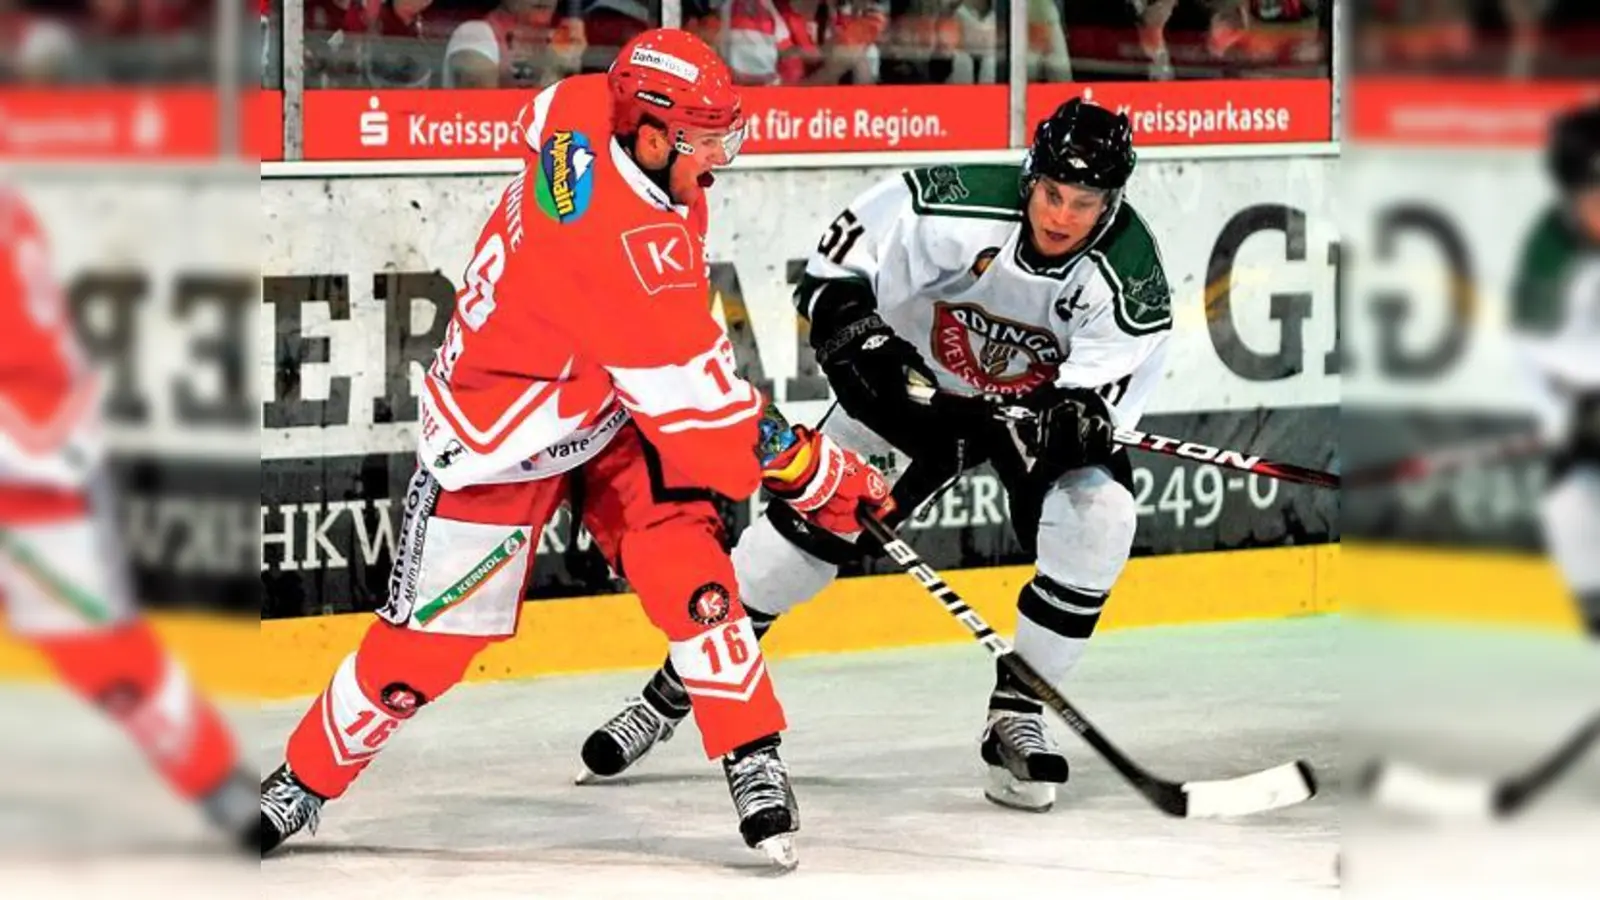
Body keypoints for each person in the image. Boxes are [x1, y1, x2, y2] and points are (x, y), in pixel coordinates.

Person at [256, 28, 893, 868]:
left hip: (603, 395)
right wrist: (818, 472)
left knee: (686, 565)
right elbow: (707, 422)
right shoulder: (626, 252)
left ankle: (752, 753)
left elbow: (545, 118)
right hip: (500, 433)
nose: (721, 160)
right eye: (707, 143)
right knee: (425, 649)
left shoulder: (586, 105)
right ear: (655, 136)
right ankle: (302, 780)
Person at [578, 97, 1173, 813]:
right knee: (784, 555)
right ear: (1031, 175)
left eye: (1084, 202)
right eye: (1051, 192)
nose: (1061, 215)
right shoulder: (954, 200)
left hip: (1027, 412)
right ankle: (669, 695)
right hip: (912, 392)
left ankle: (1018, 714)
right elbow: (837, 264)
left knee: (1100, 519)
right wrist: (853, 328)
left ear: (1112, 201)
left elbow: (1104, 389)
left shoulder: (1132, 277)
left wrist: (1083, 413)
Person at [0, 185, 256, 850]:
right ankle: (216, 782)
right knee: (104, 654)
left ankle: (216, 782)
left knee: (102, 654)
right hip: (40, 450)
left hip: (29, 464)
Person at [1509, 101, 1600, 635]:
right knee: (1568, 503)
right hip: (1583, 409)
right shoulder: (1551, 251)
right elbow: (1536, 352)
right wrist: (1568, 416)